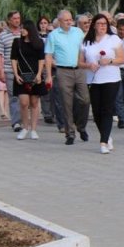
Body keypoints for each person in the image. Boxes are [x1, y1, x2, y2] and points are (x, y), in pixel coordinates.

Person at [79, 13, 124, 154]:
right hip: (93, 80)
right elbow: (79, 62)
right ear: (94, 25)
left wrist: (109, 61)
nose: (102, 27)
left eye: (104, 24)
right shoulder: (86, 42)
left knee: (107, 109)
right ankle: (106, 135)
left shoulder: (113, 39)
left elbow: (122, 59)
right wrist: (88, 65)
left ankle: (103, 142)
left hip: (111, 79)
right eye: (99, 24)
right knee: (97, 111)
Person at [45, 9, 90, 146]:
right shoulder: (53, 35)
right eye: (66, 20)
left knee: (85, 100)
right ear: (59, 21)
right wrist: (48, 76)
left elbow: (86, 49)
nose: (69, 22)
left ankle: (81, 126)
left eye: (70, 19)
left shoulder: (78, 32)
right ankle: (70, 133)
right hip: (63, 71)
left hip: (80, 70)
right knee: (66, 103)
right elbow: (48, 55)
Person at [11, 20, 47, 140]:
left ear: (30, 30)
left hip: (35, 75)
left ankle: (34, 129)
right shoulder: (17, 42)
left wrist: (39, 74)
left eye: (24, 28)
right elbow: (14, 59)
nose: (21, 30)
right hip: (22, 75)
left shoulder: (39, 43)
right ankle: (25, 127)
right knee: (23, 102)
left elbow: (41, 59)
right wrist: (16, 74)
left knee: (34, 102)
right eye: (21, 28)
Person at [0, 11, 23, 131]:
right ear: (9, 20)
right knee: (14, 96)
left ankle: (25, 120)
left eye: (19, 18)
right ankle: (16, 122)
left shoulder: (24, 33)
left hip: (24, 70)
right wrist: (1, 71)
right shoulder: (3, 36)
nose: (17, 20)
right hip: (9, 70)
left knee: (25, 97)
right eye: (15, 18)